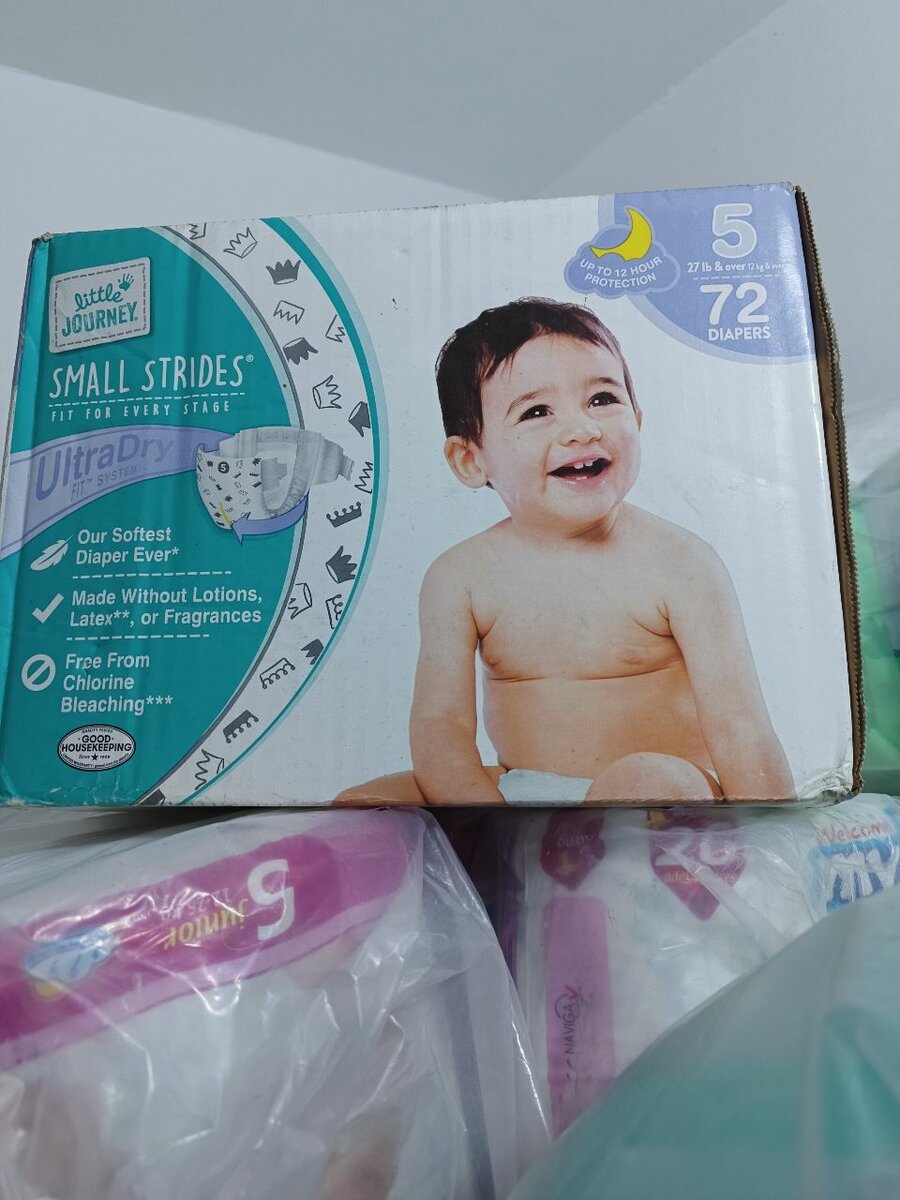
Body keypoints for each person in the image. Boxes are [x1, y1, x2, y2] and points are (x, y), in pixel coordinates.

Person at [339, 297, 793, 806]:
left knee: (642, 778)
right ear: (470, 459)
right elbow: (441, 731)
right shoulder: (461, 577)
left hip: (662, 798)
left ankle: (597, 852)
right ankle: (516, 853)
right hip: (523, 796)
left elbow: (740, 728)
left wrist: (770, 835)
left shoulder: (680, 563)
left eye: (602, 399)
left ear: (638, 419)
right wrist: (489, 824)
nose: (582, 429)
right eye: (537, 411)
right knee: (360, 805)